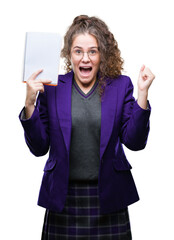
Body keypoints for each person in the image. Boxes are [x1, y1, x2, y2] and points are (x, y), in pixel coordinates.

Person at [19, 15, 155, 239]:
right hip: (63, 199)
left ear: (102, 55)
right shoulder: (51, 88)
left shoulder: (121, 85)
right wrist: (29, 103)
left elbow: (135, 142)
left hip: (109, 198)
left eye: (93, 51)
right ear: (68, 55)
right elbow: (38, 148)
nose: (85, 58)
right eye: (78, 51)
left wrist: (142, 94)